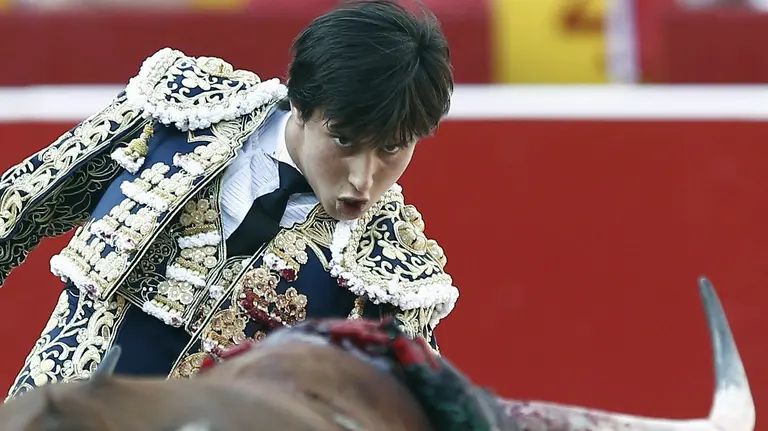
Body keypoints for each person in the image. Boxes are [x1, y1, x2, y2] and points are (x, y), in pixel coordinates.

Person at [2, 0, 457, 399]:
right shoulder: (179, 112)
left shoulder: (391, 271)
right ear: (299, 104)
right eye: (343, 140)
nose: (364, 177)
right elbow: (20, 205)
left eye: (392, 149)